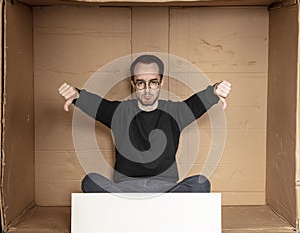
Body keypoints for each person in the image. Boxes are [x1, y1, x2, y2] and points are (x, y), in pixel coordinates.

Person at [58, 55, 231, 193]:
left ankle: (143, 210)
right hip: (125, 189)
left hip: (165, 189)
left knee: (201, 184)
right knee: (90, 182)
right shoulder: (120, 112)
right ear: (133, 84)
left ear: (161, 82)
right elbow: (95, 103)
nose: (147, 90)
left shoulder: (175, 112)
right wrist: (76, 95)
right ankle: (144, 209)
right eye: (141, 83)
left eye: (153, 82)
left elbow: (196, 102)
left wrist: (215, 90)